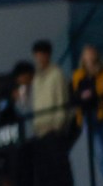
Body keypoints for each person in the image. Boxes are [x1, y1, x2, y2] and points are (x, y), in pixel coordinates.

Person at [31, 39, 74, 185]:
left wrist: (58, 126)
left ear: (48, 55)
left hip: (54, 130)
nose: (39, 58)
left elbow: (62, 101)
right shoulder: (36, 78)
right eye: (37, 54)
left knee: (59, 171)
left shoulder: (57, 74)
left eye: (42, 54)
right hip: (40, 131)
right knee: (45, 172)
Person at [72, 44, 103, 185]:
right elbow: (81, 94)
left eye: (92, 55)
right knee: (101, 154)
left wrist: (95, 91)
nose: (89, 59)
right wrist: (99, 90)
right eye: (87, 56)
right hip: (89, 117)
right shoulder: (78, 75)